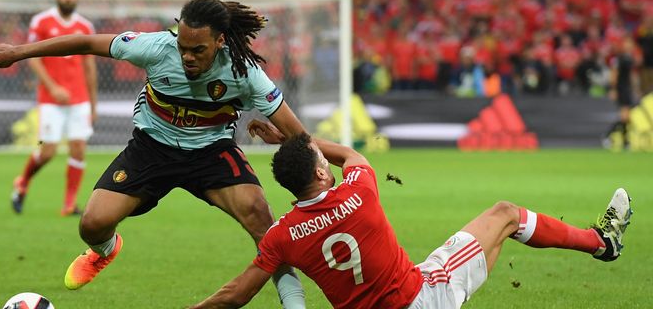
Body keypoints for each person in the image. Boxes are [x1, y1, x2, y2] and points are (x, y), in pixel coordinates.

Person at [0, 0, 307, 308]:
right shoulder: (155, 47)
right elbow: (85, 42)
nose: (187, 57)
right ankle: (105, 250)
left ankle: (295, 305)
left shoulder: (245, 72)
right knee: (91, 224)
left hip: (211, 151)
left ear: (220, 41)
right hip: (151, 148)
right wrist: (18, 52)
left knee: (264, 225)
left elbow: (300, 136)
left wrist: (319, 184)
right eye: (183, 47)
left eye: (198, 50)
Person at [191, 130, 632, 308]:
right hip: (423, 297)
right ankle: (602, 243)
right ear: (323, 171)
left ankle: (598, 241)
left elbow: (236, 294)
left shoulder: (281, 235)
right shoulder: (358, 190)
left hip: (404, 293)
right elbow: (349, 154)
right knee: (505, 215)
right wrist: (293, 135)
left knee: (494, 241)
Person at [11, 0, 97, 216]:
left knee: (78, 148)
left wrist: (93, 104)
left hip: (79, 98)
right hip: (51, 99)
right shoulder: (41, 22)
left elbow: (90, 68)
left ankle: (69, 204)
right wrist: (53, 87)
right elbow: (33, 58)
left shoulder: (86, 27)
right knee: (48, 152)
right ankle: (23, 181)